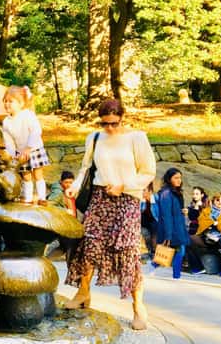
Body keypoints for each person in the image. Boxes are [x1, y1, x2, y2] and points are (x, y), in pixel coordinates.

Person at [65, 98, 156, 331]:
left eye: (114, 123)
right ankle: (83, 292)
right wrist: (75, 186)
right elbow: (85, 168)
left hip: (127, 199)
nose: (110, 128)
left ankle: (138, 307)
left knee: (126, 251)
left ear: (122, 118)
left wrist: (123, 186)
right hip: (100, 196)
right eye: (105, 123)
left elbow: (148, 172)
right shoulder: (94, 138)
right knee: (89, 245)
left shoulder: (137, 138)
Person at [1, 85, 50, 205]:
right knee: (26, 176)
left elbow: (36, 131)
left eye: (10, 101)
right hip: (20, 152)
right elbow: (9, 141)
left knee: (37, 174)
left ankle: (42, 198)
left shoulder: (27, 115)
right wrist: (13, 155)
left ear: (21, 103)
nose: (7, 104)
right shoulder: (6, 122)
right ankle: (27, 198)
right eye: (5, 101)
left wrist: (29, 148)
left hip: (34, 148)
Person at [154, 168, 190, 279]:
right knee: (177, 251)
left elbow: (174, 210)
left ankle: (155, 267)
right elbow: (166, 215)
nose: (179, 180)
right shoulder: (166, 193)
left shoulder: (176, 192)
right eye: (176, 178)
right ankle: (176, 276)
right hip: (172, 228)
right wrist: (168, 234)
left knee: (177, 251)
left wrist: (183, 211)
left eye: (180, 177)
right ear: (169, 179)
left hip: (178, 227)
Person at [190, 192, 221, 273]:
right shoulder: (206, 211)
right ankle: (198, 267)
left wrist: (217, 224)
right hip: (207, 236)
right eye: (217, 200)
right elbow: (202, 222)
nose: (220, 202)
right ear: (213, 201)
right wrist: (214, 223)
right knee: (190, 239)